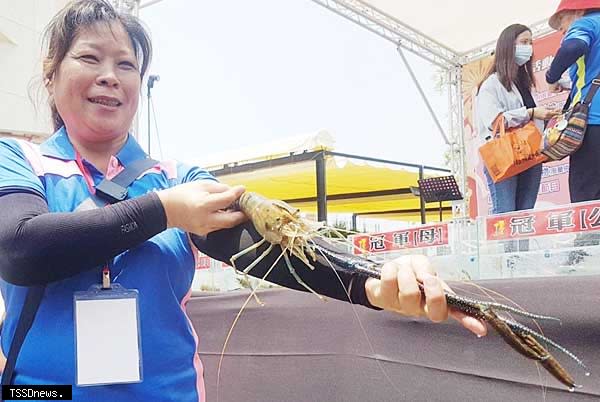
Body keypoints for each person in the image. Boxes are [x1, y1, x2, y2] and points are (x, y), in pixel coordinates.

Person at [0, 1, 486, 400]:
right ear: (50, 74)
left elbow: (261, 244)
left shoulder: (177, 178)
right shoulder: (19, 160)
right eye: (90, 58)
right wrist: (165, 211)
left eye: (125, 64)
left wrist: (374, 284)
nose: (110, 76)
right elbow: (23, 248)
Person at [476, 24, 560, 214]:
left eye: (530, 42)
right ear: (508, 46)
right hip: (504, 155)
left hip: (530, 156)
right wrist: (530, 113)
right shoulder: (491, 83)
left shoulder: (523, 84)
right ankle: (505, 246)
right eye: (523, 42)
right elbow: (495, 121)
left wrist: (545, 116)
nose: (528, 48)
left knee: (525, 217)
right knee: (505, 216)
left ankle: (520, 246)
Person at [546, 0, 600, 203]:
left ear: (578, 11)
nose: (561, 29)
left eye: (562, 20)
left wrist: (551, 77)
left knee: (587, 196)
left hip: (593, 123)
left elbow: (574, 45)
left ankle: (589, 236)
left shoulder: (586, 23)